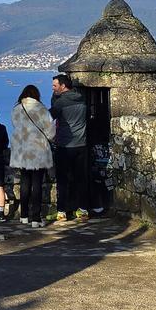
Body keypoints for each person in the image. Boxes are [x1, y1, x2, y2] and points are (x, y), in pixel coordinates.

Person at [10, 85, 56, 228]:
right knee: (37, 184)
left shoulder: (16, 109)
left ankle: (24, 215)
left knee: (24, 182)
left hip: (22, 150)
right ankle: (35, 218)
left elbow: (15, 125)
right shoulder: (41, 109)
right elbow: (50, 131)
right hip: (38, 150)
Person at [50, 74, 89, 222]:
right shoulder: (82, 99)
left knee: (63, 179)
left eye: (55, 85)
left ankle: (62, 211)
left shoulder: (60, 103)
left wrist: (54, 99)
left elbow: (49, 117)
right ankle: (83, 209)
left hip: (65, 145)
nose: (53, 88)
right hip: (81, 144)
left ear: (63, 86)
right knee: (81, 178)